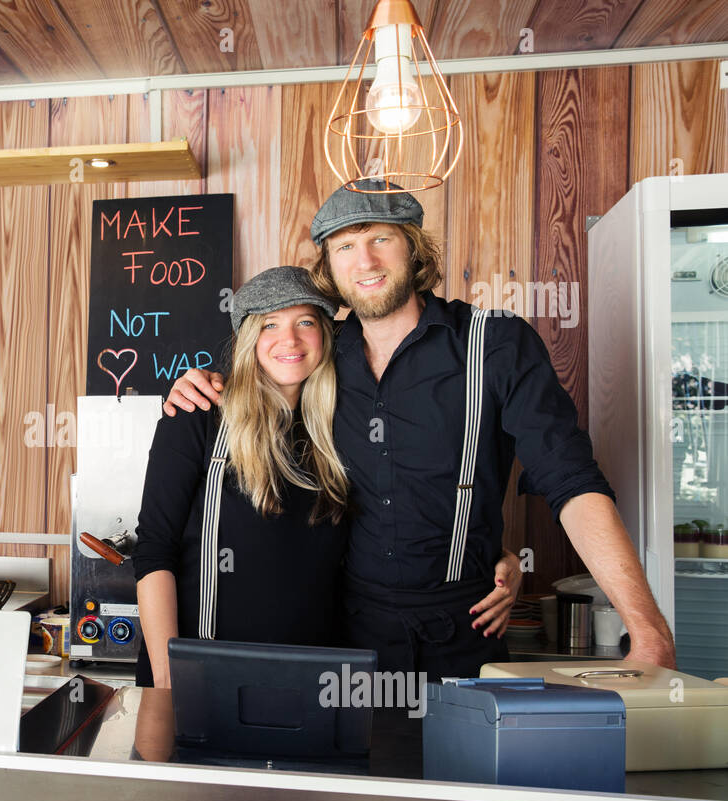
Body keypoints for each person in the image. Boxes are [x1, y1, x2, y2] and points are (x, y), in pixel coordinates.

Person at [165, 179, 675, 676]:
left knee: (465, 764)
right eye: (345, 246)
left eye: (380, 239)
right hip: (347, 640)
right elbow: (258, 381)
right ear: (329, 267)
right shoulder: (321, 355)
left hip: (468, 632)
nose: (364, 262)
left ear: (414, 248)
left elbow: (572, 481)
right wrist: (198, 383)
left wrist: (647, 632)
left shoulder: (494, 345)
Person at [132, 266, 349, 688]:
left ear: (325, 334)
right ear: (250, 338)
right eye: (270, 324)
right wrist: (168, 681)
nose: (290, 339)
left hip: (310, 683)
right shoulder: (199, 416)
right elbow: (155, 552)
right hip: (203, 676)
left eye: (305, 321)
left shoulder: (346, 427)